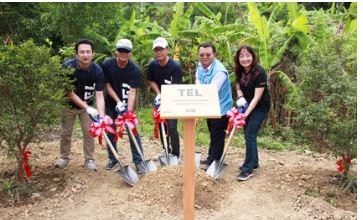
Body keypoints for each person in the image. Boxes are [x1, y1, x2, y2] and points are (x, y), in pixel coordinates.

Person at [55, 38, 105, 171]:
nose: (85, 55)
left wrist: (101, 116)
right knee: (66, 133)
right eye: (82, 52)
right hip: (68, 106)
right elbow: (70, 93)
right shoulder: (68, 67)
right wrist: (88, 108)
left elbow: (99, 95)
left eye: (88, 52)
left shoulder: (98, 71)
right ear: (76, 54)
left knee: (89, 133)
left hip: (87, 107)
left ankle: (89, 159)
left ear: (93, 53)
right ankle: (64, 157)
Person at [101, 38, 145, 173]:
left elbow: (132, 92)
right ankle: (113, 158)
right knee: (110, 130)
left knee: (132, 130)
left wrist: (127, 112)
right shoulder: (107, 65)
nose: (123, 53)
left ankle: (139, 161)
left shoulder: (135, 69)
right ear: (116, 51)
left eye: (126, 51)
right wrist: (118, 102)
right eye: (120, 50)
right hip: (110, 103)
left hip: (127, 105)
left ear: (130, 53)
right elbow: (107, 85)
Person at [234, 45, 270, 181]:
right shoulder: (239, 70)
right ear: (238, 58)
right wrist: (240, 97)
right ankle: (254, 162)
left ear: (253, 57)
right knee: (248, 134)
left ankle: (248, 169)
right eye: (241, 56)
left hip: (259, 105)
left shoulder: (260, 72)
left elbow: (257, 98)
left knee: (250, 134)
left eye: (247, 55)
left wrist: (244, 114)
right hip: (246, 103)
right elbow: (237, 86)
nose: (245, 59)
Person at [195, 42, 233, 170]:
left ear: (214, 55)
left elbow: (210, 92)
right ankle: (212, 157)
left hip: (221, 107)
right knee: (212, 132)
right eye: (201, 55)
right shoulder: (200, 66)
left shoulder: (220, 71)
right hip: (209, 106)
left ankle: (215, 161)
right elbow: (198, 83)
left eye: (208, 54)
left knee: (218, 134)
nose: (204, 57)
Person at [147, 37, 182, 159]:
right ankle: (166, 149)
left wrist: (166, 99)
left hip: (173, 99)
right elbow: (151, 81)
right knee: (161, 124)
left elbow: (175, 86)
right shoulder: (152, 65)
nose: (159, 52)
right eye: (156, 50)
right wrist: (158, 94)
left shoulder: (175, 66)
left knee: (172, 126)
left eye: (161, 49)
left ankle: (176, 153)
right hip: (159, 99)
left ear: (167, 50)